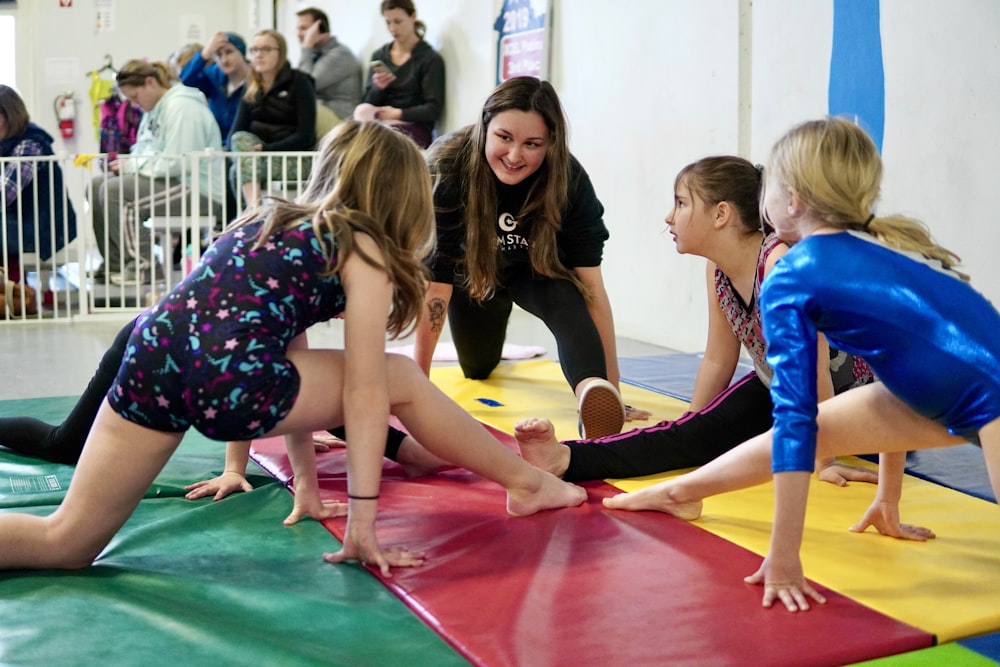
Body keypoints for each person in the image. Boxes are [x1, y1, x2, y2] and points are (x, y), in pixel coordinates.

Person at [0, 120, 586, 576]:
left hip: (150, 356)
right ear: (403, 198)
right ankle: (527, 483)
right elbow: (364, 388)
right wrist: (362, 519)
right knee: (399, 379)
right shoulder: (364, 245)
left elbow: (290, 361)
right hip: (227, 380)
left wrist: (307, 485)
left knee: (67, 540)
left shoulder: (266, 219)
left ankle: (517, 480)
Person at [602, 116, 1000, 612]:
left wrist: (785, 556)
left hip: (985, 399)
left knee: (803, 430)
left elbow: (795, 418)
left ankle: (682, 489)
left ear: (790, 202)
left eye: (765, 184)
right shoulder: (880, 247)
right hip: (949, 390)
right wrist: (889, 500)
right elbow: (897, 367)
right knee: (824, 429)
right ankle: (681, 491)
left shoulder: (792, 275)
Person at [514, 156, 877, 486]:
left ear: (721, 214)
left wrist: (826, 456)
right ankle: (566, 457)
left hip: (849, 402)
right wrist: (689, 426)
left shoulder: (780, 267)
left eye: (681, 203)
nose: (669, 217)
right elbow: (719, 359)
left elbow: (815, 369)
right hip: (779, 388)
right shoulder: (717, 270)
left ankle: (567, 458)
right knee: (696, 436)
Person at [415, 76, 647, 440]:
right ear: (484, 128)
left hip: (534, 272)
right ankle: (480, 354)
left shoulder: (569, 180)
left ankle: (590, 388)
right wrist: (418, 389)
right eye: (504, 138)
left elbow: (592, 290)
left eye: (532, 144)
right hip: (469, 280)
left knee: (568, 300)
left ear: (551, 144)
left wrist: (612, 389)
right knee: (477, 367)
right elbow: (435, 289)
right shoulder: (446, 167)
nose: (514, 155)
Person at [90, 60, 224, 284]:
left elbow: (176, 162)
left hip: (198, 190)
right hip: (173, 183)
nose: (134, 104)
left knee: (115, 192)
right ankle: (115, 265)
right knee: (95, 186)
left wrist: (131, 166)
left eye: (135, 97)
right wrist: (129, 164)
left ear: (150, 83)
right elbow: (144, 149)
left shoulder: (182, 108)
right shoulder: (154, 110)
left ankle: (146, 266)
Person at [229, 29, 317, 207]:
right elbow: (237, 130)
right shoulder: (251, 86)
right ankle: (255, 211)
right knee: (239, 145)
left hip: (295, 157)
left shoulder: (299, 81)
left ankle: (252, 215)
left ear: (280, 53)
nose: (259, 55)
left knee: (237, 171)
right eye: (255, 50)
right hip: (260, 158)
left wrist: (268, 148)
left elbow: (306, 134)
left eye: (266, 49)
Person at [0, 85, 77, 285]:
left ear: (8, 115)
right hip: (21, 221)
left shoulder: (30, 144)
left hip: (42, 227)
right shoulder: (6, 142)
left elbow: (4, 193)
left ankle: (12, 290)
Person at [353, 0, 444, 149]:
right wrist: (378, 88)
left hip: (413, 125)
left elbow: (432, 109)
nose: (392, 28)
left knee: (378, 135)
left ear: (413, 17)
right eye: (388, 23)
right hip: (379, 122)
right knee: (361, 111)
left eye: (398, 21)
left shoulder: (429, 59)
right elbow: (367, 101)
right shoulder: (380, 56)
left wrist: (398, 114)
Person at [179, 31, 250, 142]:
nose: (224, 60)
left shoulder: (256, 80)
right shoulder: (214, 76)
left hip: (245, 149)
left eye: (229, 52)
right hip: (217, 148)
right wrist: (205, 54)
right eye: (218, 54)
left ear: (242, 53)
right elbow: (185, 81)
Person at [295, 7, 362, 124]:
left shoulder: (340, 55)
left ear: (321, 29)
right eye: (298, 29)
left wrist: (307, 46)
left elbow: (305, 86)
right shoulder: (315, 54)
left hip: (340, 118)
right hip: (322, 111)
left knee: (296, 111)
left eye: (304, 29)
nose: (299, 34)